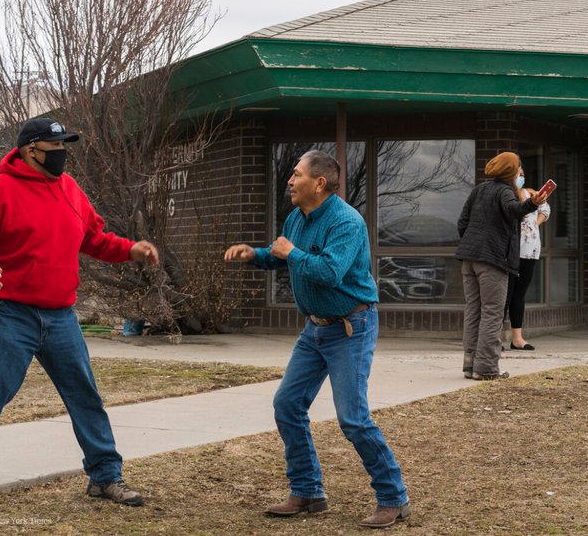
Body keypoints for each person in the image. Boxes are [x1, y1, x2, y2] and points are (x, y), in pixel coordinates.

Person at [0, 118, 159, 506]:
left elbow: (94, 239)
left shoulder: (71, 190)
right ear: (30, 150)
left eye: (64, 145)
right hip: (10, 313)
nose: (62, 153)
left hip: (60, 317)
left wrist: (130, 250)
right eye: (54, 146)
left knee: (85, 396)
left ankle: (105, 476)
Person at [224, 150, 410, 529]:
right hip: (315, 329)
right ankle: (308, 491)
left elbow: (329, 272)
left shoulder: (347, 222)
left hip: (351, 328)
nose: (290, 181)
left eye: (296, 175)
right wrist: (256, 255)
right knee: (288, 404)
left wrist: (289, 252)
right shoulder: (298, 217)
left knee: (353, 420)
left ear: (319, 183)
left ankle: (394, 497)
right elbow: (282, 256)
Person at [456, 152, 547, 380]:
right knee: (492, 312)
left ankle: (470, 364)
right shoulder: (505, 191)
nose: (520, 173)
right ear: (510, 170)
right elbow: (512, 210)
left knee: (473, 310)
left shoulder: (479, 190)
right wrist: (532, 204)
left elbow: (462, 222)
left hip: (469, 259)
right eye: (518, 169)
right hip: (492, 260)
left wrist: (473, 245)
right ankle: (486, 367)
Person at [504, 167, 551, 351]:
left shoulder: (531, 193)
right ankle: (493, 338)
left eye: (523, 174)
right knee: (504, 296)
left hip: (530, 251)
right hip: (511, 252)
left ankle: (517, 339)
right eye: (518, 174)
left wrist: (534, 224)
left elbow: (545, 209)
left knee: (519, 295)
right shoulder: (507, 195)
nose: (521, 177)